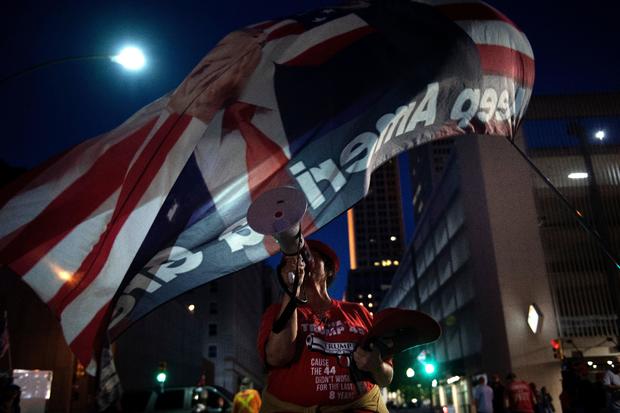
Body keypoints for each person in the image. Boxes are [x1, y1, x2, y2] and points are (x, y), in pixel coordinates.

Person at [257, 240, 393, 412]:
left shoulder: (358, 312)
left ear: (328, 270)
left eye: (307, 256)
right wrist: (292, 290)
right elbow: (277, 357)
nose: (300, 263)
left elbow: (386, 378)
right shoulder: (277, 311)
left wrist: (377, 365)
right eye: (291, 261)